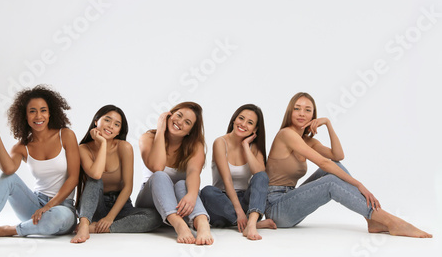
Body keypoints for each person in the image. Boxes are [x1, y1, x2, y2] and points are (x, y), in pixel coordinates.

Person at [264, 92, 432, 238]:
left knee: (335, 166)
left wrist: (328, 124)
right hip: (276, 209)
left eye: (308, 110)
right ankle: (389, 220)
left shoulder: (308, 141)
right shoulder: (286, 134)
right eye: (297, 108)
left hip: (290, 199)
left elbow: (338, 156)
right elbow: (323, 161)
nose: (302, 114)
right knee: (330, 180)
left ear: (313, 115)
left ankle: (372, 220)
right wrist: (359, 184)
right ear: (289, 111)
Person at [0, 85, 80, 249]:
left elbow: (73, 178)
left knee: (56, 219)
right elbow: (8, 170)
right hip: (34, 207)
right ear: (25, 116)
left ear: (50, 113)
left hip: (62, 208)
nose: (38, 116)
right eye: (32, 111)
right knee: (8, 178)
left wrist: (49, 207)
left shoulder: (66, 135)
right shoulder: (22, 147)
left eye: (43, 110)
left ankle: (5, 230)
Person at [71, 105, 161, 243]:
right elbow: (95, 174)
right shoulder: (84, 148)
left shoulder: (124, 147)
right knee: (96, 179)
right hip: (94, 207)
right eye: (107, 120)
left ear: (119, 130)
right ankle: (84, 225)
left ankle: (100, 228)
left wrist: (110, 218)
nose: (111, 126)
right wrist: (102, 144)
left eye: (117, 124)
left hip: (120, 206)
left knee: (155, 217)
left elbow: (128, 187)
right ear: (96, 121)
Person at [135, 102, 214, 245]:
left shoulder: (195, 146)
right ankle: (179, 225)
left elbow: (193, 173)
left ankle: (202, 223)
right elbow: (157, 166)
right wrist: (160, 129)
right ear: (170, 114)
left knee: (183, 184)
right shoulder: (147, 139)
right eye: (179, 115)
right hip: (149, 199)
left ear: (190, 130)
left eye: (187, 122)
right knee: (160, 175)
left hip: (178, 203)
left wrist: (191, 195)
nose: (180, 122)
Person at [200, 104, 276, 240]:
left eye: (250, 123)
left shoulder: (254, 148)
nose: (243, 124)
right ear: (234, 120)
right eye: (241, 118)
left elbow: (260, 175)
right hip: (221, 203)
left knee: (262, 176)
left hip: (246, 202)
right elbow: (226, 179)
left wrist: (246, 146)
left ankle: (251, 224)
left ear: (255, 129)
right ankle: (252, 223)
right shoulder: (220, 142)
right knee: (207, 191)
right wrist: (239, 212)